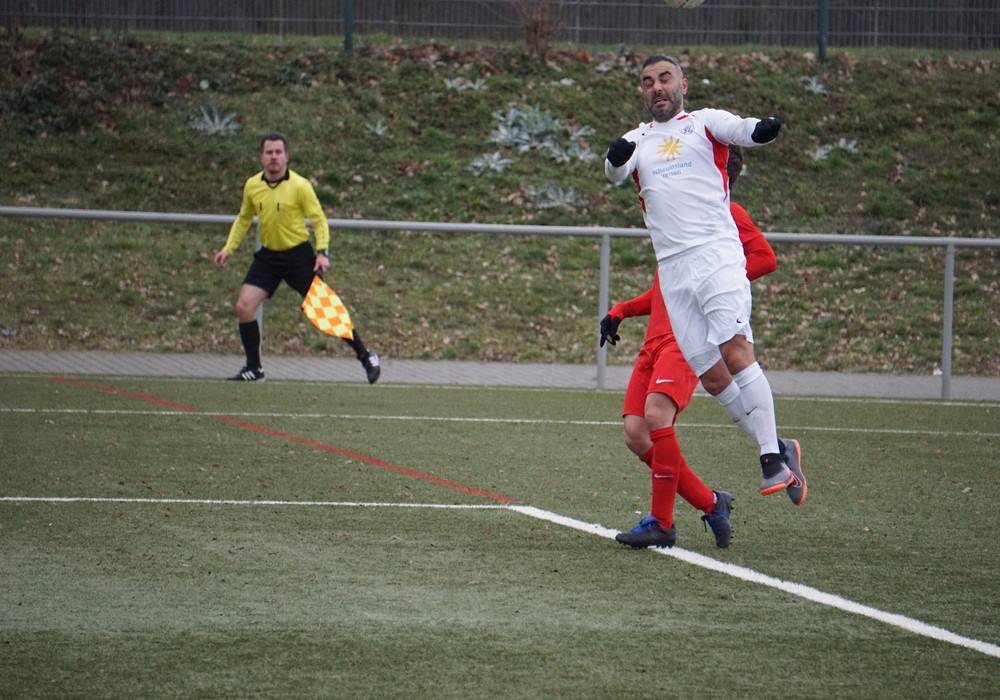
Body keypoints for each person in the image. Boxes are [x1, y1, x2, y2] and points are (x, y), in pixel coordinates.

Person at [604, 54, 797, 500]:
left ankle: (770, 459)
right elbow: (614, 173)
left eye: (665, 78)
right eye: (648, 81)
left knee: (735, 351)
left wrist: (761, 130)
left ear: (683, 85)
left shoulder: (705, 122)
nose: (657, 87)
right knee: (712, 377)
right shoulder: (636, 139)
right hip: (673, 272)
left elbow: (741, 129)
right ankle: (780, 446)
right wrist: (614, 159)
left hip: (716, 257)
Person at [603, 147, 805, 550]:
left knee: (657, 417)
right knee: (636, 434)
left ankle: (662, 522)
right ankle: (713, 503)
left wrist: (718, 281)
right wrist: (623, 309)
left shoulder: (725, 213)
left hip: (684, 337)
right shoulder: (674, 217)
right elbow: (668, 289)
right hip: (654, 340)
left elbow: (765, 258)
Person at [213, 132, 380, 384]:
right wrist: (229, 248)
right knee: (244, 306)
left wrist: (322, 252)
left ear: (286, 157)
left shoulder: (300, 186)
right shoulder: (252, 185)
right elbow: (244, 218)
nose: (273, 157)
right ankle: (254, 368)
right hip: (268, 258)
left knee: (325, 311)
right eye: (269, 152)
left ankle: (366, 355)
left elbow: (319, 219)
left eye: (278, 152)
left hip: (297, 257)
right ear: (261, 157)